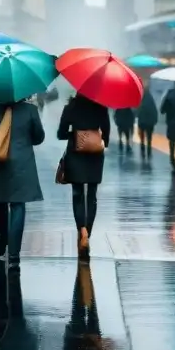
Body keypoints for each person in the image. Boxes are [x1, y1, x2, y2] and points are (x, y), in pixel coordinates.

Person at [0, 95, 46, 269]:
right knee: (18, 206)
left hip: (0, 163)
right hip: (23, 164)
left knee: (0, 202)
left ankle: (1, 244)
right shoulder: (30, 110)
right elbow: (39, 137)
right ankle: (14, 255)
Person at [57, 93, 110, 261]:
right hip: (95, 154)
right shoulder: (101, 107)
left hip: (75, 153)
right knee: (92, 196)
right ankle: (88, 232)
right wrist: (100, 141)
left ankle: (81, 231)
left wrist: (75, 134)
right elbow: (106, 132)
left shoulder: (71, 107)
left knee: (77, 194)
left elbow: (61, 133)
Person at [136, 87, 158, 156]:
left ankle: (142, 147)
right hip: (150, 122)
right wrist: (155, 120)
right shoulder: (151, 100)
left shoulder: (141, 99)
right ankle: (149, 149)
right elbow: (154, 111)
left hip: (142, 121)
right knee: (149, 137)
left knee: (142, 136)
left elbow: (137, 110)